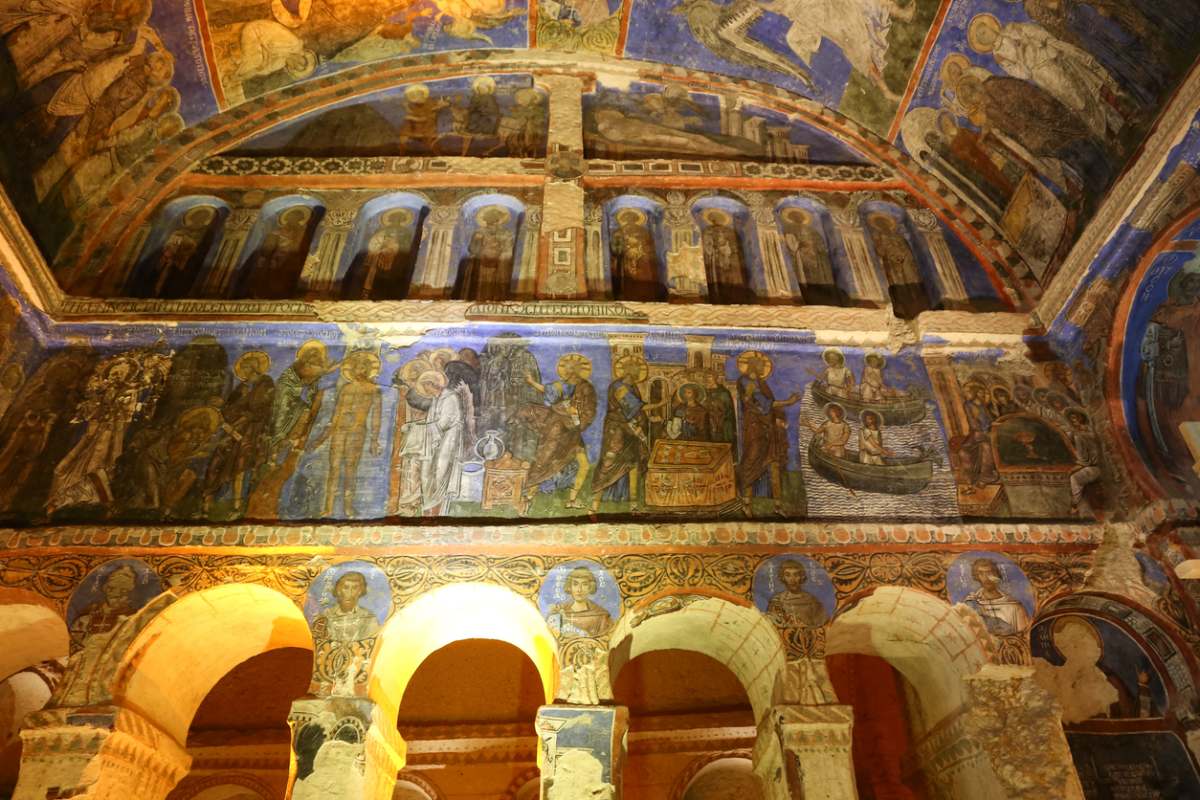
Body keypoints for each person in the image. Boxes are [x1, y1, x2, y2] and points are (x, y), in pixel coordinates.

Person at [513, 354, 597, 509]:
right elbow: (548, 391)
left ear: (579, 371)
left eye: (572, 369)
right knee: (546, 462)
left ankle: (571, 500)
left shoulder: (585, 388)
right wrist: (531, 382)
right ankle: (528, 496)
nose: (569, 371)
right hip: (557, 430)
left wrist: (577, 417)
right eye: (567, 368)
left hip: (572, 433)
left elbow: (589, 411)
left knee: (583, 464)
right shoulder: (562, 385)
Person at [312, 352, 382, 518]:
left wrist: (374, 440)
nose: (360, 369)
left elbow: (376, 417)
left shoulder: (374, 390)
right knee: (334, 468)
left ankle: (348, 507)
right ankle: (328, 507)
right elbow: (336, 414)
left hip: (357, 432)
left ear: (368, 369)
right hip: (339, 431)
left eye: (364, 366)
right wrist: (323, 437)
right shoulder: (346, 388)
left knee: (350, 469)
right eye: (357, 366)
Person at [204, 351, 274, 516]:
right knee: (216, 461)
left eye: (248, 367)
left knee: (241, 464)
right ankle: (206, 503)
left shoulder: (266, 384)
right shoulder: (241, 387)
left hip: (252, 432)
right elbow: (229, 408)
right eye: (243, 367)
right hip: (231, 431)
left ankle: (236, 506)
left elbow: (261, 409)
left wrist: (241, 417)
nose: (244, 370)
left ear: (255, 367)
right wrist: (222, 406)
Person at [395, 370, 470, 515]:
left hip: (448, 442)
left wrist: (417, 428)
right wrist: (413, 425)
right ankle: (428, 509)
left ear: (433, 384)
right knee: (427, 473)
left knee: (440, 474)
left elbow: (443, 423)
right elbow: (431, 422)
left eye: (426, 386)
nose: (425, 390)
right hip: (434, 443)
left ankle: (437, 511)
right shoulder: (436, 399)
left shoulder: (450, 398)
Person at [737, 351, 800, 515]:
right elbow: (763, 404)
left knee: (773, 464)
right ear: (752, 365)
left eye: (764, 364)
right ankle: (746, 504)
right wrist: (789, 401)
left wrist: (777, 419)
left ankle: (778, 506)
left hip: (768, 428)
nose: (763, 366)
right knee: (752, 462)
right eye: (760, 364)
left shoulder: (761, 383)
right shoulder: (745, 381)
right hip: (755, 428)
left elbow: (769, 404)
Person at [591, 355, 651, 513]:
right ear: (629, 372)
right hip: (616, 430)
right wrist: (661, 404)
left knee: (632, 465)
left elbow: (635, 413)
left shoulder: (633, 387)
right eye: (635, 369)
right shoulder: (619, 386)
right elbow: (635, 407)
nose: (637, 372)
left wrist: (641, 424)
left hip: (630, 431)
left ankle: (633, 506)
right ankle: (594, 507)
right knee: (608, 463)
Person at [868, 214, 928, 320]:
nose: (883, 225)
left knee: (913, 280)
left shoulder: (898, 236)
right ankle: (903, 309)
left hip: (906, 261)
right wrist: (892, 255)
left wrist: (904, 255)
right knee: (898, 283)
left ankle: (920, 307)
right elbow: (880, 251)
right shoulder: (878, 236)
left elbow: (907, 248)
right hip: (892, 263)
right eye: (881, 223)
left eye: (885, 223)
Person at [780, 207, 843, 306]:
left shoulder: (812, 230)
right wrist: (801, 245)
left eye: (799, 216)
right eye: (795, 216)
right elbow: (791, 243)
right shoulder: (790, 228)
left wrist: (818, 249)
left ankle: (823, 292)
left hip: (816, 256)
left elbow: (820, 243)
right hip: (801, 254)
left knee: (819, 274)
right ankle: (807, 291)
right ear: (791, 218)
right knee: (805, 274)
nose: (798, 218)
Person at [69, 564, 140, 650]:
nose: (116, 594)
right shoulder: (86, 618)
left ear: (130, 593)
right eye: (111, 588)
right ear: (105, 588)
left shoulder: (134, 618)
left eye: (123, 591)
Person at [452, 206, 515, 301]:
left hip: (499, 263)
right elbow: (472, 249)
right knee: (479, 284)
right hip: (481, 262)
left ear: (498, 219)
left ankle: (497, 300)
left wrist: (500, 248)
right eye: (489, 217)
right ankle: (477, 299)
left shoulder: (506, 233)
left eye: (495, 217)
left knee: (497, 283)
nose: (492, 220)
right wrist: (477, 240)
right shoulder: (479, 232)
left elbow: (508, 249)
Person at [962, 558, 1030, 635]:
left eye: (989, 573)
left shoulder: (1015, 607)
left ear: (996, 575)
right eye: (981, 573)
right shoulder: (970, 603)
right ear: (976, 576)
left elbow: (1023, 638)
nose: (986, 578)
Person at [610, 207, 664, 301]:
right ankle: (624, 295)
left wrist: (642, 250)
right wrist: (623, 249)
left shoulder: (644, 231)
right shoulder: (619, 232)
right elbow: (615, 247)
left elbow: (649, 246)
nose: (629, 220)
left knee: (644, 277)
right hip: (625, 259)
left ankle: (647, 296)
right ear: (624, 219)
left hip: (641, 258)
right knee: (626, 278)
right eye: (627, 218)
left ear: (636, 219)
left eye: (632, 218)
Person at [700, 208, 753, 304]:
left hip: (729, 258)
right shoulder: (708, 231)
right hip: (715, 258)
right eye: (713, 218)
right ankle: (718, 296)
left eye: (717, 218)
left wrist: (727, 249)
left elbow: (735, 247)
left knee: (732, 276)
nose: (716, 220)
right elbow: (707, 246)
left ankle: (736, 296)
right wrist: (713, 248)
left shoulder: (730, 231)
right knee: (718, 275)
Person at [312, 571, 381, 643]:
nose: (350, 593)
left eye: (354, 588)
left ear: (360, 591)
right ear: (338, 590)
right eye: (345, 587)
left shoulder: (369, 618)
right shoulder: (325, 615)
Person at [546, 566, 613, 638]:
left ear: (590, 587)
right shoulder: (559, 611)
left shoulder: (601, 616)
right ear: (570, 587)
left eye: (584, 584)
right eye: (575, 584)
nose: (579, 590)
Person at [957, 381, 999, 493]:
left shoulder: (983, 405)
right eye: (964, 391)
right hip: (977, 433)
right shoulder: (968, 405)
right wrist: (980, 432)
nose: (965, 393)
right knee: (963, 452)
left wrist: (990, 428)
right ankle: (971, 479)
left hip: (987, 433)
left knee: (986, 447)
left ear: (974, 392)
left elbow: (990, 420)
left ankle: (985, 477)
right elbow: (973, 422)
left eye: (967, 391)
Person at [766, 559, 827, 627]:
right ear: (783, 577)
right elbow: (771, 628)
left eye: (796, 575)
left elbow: (821, 626)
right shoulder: (776, 601)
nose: (792, 579)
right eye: (787, 575)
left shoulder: (812, 601)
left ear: (801, 577)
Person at [1066, 408, 1100, 515]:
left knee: (1074, 478)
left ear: (1081, 418)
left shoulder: (1080, 435)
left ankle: (1075, 505)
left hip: (1096, 468)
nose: (1074, 421)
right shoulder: (1085, 431)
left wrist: (1076, 467)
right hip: (1094, 465)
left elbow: (1084, 461)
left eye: (1075, 418)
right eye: (1072, 419)